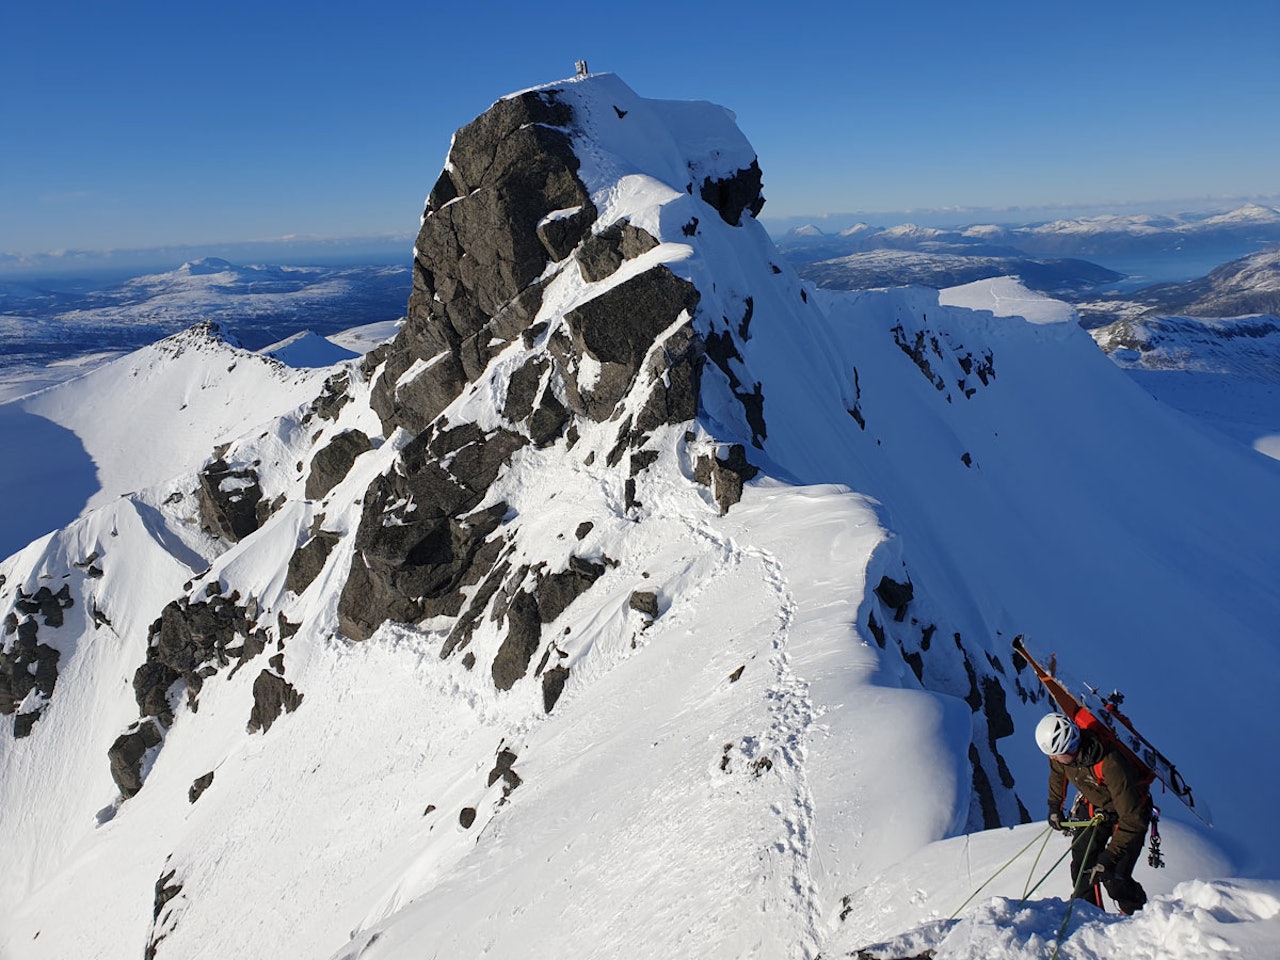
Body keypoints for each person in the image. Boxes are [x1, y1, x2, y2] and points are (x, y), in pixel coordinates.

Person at [1035, 712, 1150, 914]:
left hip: (1128, 814)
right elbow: (1058, 772)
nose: (1053, 758)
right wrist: (1055, 805)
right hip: (1094, 806)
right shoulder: (1062, 756)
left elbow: (1133, 819)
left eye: (1056, 754)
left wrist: (1109, 857)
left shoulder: (1111, 764)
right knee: (1082, 870)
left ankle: (1137, 917)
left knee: (1115, 878)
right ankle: (1088, 917)